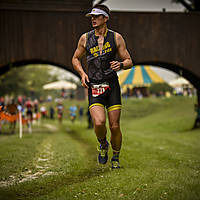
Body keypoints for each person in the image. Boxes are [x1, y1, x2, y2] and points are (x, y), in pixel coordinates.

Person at [72, 4, 133, 169]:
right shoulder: (85, 38)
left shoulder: (116, 38)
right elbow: (75, 58)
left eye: (96, 16)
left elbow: (129, 61)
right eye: (91, 16)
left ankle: (116, 158)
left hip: (112, 86)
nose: (93, 19)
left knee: (114, 126)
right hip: (94, 86)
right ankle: (103, 144)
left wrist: (120, 65)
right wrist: (82, 74)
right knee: (99, 123)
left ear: (105, 18)